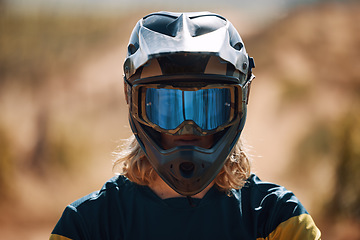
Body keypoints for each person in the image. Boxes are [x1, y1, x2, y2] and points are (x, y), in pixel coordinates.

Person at [50, 11, 321, 240]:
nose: (187, 128)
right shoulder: (85, 228)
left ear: (241, 101)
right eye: (167, 107)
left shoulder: (281, 221)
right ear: (131, 99)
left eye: (209, 106)